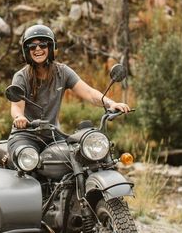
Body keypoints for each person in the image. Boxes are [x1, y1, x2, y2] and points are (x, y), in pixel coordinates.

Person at [7, 24, 130, 162]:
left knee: (77, 161)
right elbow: (17, 107)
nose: (38, 49)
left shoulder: (62, 72)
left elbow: (89, 92)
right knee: (27, 162)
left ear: (51, 48)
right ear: (26, 51)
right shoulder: (21, 77)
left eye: (43, 45)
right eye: (32, 46)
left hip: (53, 136)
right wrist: (19, 118)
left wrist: (111, 103)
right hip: (26, 136)